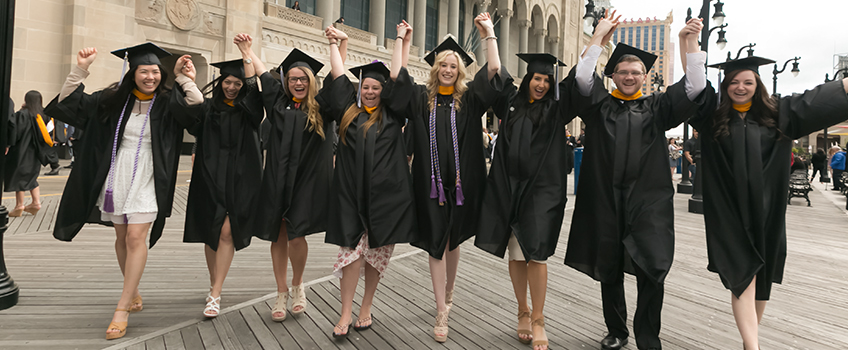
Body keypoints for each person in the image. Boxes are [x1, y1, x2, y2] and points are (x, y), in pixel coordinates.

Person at [564, 12, 710, 350]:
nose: (629, 77)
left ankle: (648, 336)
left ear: (645, 76)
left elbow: (696, 86)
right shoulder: (599, 105)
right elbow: (582, 79)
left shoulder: (658, 107)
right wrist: (598, 37)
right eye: (623, 72)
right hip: (605, 198)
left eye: (635, 72)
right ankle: (616, 331)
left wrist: (691, 45)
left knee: (652, 267)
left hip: (648, 202)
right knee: (609, 266)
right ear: (612, 75)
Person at [690, 52, 848, 350]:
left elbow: (817, 99)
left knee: (761, 281)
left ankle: (750, 338)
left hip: (768, 213)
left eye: (747, 81)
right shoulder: (712, 119)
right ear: (724, 87)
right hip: (729, 214)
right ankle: (753, 346)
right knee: (742, 276)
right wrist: (690, 43)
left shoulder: (779, 115)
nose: (740, 87)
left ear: (757, 84)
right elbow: (695, 84)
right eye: (733, 82)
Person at [44, 43, 202, 340]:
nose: (151, 77)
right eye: (145, 71)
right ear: (134, 72)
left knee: (134, 235)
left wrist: (184, 78)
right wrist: (81, 68)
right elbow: (68, 103)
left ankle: (122, 307)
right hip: (118, 172)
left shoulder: (168, 100)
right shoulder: (114, 99)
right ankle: (134, 290)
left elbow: (197, 110)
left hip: (150, 174)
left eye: (156, 71)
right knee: (121, 236)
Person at [385, 14, 504, 343]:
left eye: (454, 65)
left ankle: (449, 289)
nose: (448, 69)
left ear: (460, 70)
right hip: (430, 185)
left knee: (452, 242)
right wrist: (402, 41)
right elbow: (396, 75)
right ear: (436, 69)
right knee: (436, 245)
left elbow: (493, 71)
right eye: (444, 65)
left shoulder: (470, 100)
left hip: (464, 187)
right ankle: (441, 308)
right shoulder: (422, 100)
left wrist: (489, 34)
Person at [321, 25, 417, 338]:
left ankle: (366, 305)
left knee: (376, 254)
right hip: (350, 196)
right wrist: (334, 44)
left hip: (385, 197)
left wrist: (400, 40)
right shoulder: (348, 112)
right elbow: (338, 77)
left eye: (376, 88)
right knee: (350, 255)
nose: (371, 91)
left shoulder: (393, 114)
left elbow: (398, 75)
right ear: (359, 89)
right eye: (366, 88)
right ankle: (345, 311)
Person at [475, 51, 574, 350]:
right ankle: (522, 310)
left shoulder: (558, 108)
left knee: (537, 254)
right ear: (528, 78)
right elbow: (495, 68)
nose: (541, 84)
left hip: (542, 191)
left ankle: (539, 318)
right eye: (536, 78)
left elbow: (581, 76)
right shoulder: (511, 103)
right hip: (510, 189)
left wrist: (597, 39)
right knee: (516, 254)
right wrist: (489, 33)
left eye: (546, 79)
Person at [251, 42, 334, 321]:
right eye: (292, 79)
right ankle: (281, 290)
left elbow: (339, 79)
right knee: (279, 234)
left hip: (306, 183)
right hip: (277, 180)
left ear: (311, 82)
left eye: (303, 79)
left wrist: (337, 45)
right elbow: (263, 76)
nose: (298, 83)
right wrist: (247, 51)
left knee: (296, 236)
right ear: (286, 81)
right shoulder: (279, 104)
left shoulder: (322, 108)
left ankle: (298, 283)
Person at [182, 40, 263, 318]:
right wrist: (185, 79)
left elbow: (255, 92)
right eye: (227, 82)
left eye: (237, 84)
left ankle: (215, 293)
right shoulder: (208, 109)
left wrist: (246, 56)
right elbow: (186, 116)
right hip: (210, 177)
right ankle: (214, 283)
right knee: (212, 232)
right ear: (220, 83)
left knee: (228, 231)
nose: (231, 87)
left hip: (241, 178)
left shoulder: (250, 111)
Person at [4, 91, 51, 217]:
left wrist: (8, 144)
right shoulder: (43, 115)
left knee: (20, 177)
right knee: (31, 177)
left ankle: (19, 205)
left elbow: (15, 131)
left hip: (21, 151)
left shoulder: (22, 115)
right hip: (36, 152)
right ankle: (36, 202)